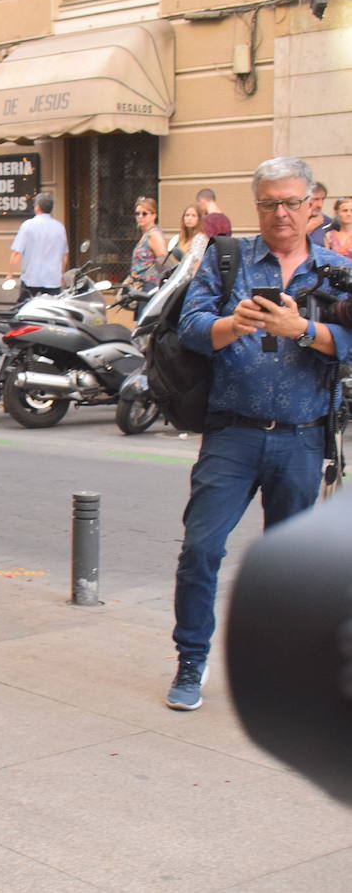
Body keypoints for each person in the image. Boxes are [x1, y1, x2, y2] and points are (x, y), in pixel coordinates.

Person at [166, 156, 352, 712]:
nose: (281, 213)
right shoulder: (228, 259)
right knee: (201, 548)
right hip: (233, 433)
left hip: (301, 437)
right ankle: (191, 661)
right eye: (269, 202)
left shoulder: (334, 271)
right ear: (257, 206)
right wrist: (233, 323)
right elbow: (191, 328)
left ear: (311, 205)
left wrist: (303, 329)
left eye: (291, 202)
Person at [8, 192, 69, 296]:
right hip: (52, 279)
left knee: (24, 308)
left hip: (31, 278)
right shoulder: (59, 227)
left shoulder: (28, 226)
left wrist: (10, 273)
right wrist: (61, 274)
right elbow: (65, 255)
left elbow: (17, 253)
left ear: (37, 207)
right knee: (52, 310)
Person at [129, 196, 168, 302]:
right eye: (137, 213)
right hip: (141, 285)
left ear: (153, 215)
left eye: (144, 213)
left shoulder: (154, 235)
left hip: (150, 286)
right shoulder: (145, 234)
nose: (140, 216)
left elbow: (163, 261)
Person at [164, 202, 209, 285]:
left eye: (193, 216)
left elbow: (196, 264)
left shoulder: (200, 238)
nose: (189, 218)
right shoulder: (180, 238)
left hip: (190, 282)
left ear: (199, 219)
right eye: (187, 215)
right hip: (176, 279)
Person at [307, 181, 334, 247]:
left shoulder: (329, 224)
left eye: (323, 199)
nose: (320, 205)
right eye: (316, 199)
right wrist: (308, 228)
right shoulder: (290, 221)